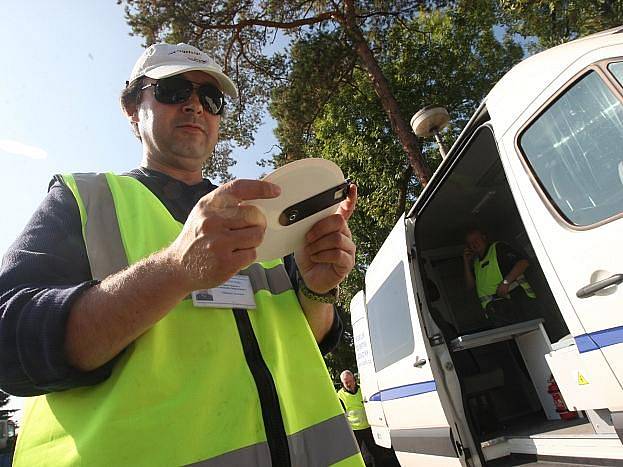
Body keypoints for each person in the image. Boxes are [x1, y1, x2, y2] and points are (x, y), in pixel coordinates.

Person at [0, 42, 364, 466]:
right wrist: (176, 269)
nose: (195, 107)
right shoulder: (85, 199)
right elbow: (10, 344)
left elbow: (307, 340)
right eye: (174, 90)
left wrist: (319, 290)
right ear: (133, 110)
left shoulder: (260, 213)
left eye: (210, 100)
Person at [463, 228, 537, 327]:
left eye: (476, 240)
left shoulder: (498, 248)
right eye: (470, 243)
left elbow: (523, 263)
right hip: (498, 314)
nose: (474, 244)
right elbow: (470, 286)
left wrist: (506, 283)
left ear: (484, 237)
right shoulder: (476, 263)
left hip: (520, 304)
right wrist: (466, 262)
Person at [337, 370, 400, 467]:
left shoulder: (363, 389)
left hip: (369, 426)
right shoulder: (340, 396)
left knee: (376, 453)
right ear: (342, 383)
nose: (349, 384)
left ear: (354, 379)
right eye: (346, 382)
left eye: (350, 381)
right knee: (356, 456)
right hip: (354, 431)